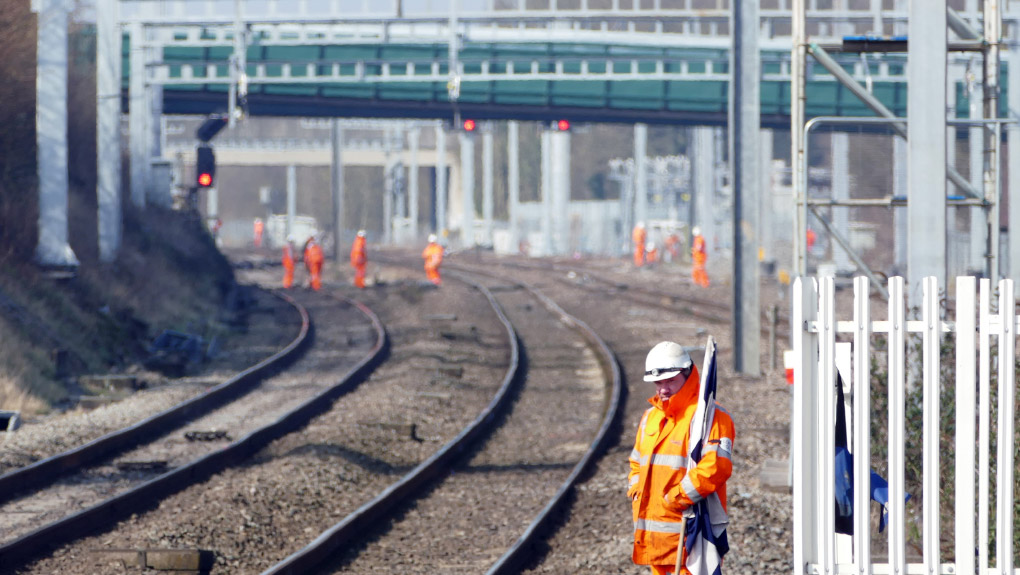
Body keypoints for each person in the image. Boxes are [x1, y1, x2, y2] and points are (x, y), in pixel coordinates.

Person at [629, 341, 735, 575]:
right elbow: (637, 461)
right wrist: (636, 488)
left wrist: (675, 498)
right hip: (654, 536)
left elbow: (715, 467)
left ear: (687, 375)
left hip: (691, 535)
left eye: (670, 381)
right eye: (658, 382)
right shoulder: (650, 418)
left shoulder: (710, 417)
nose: (663, 389)